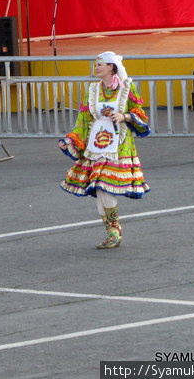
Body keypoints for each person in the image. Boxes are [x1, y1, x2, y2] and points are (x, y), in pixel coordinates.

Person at [58, 51, 150, 249]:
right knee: (98, 187)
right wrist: (70, 139)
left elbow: (139, 112)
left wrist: (124, 116)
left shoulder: (127, 87)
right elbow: (83, 120)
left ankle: (114, 229)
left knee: (105, 183)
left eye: (101, 64)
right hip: (96, 142)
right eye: (96, 64)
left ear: (111, 67)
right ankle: (111, 230)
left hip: (119, 142)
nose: (97, 67)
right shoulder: (92, 90)